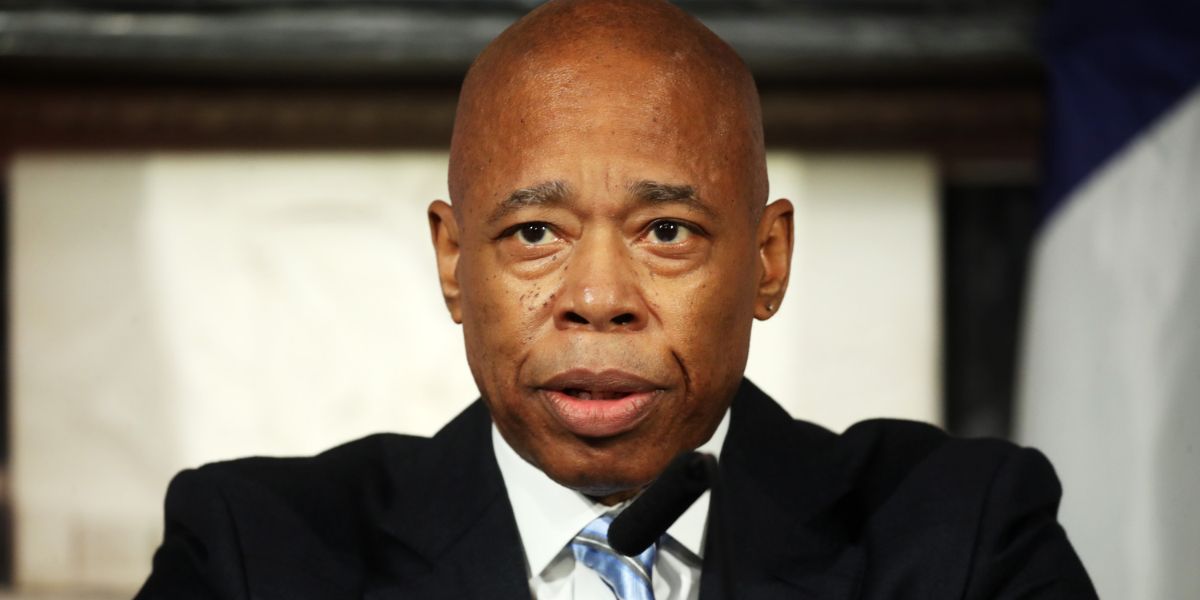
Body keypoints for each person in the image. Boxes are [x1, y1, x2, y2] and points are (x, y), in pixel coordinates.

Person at [136, 0, 1096, 598]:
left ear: (768, 261)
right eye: (534, 234)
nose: (598, 299)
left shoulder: (965, 538)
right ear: (454, 263)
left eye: (666, 231)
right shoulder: (254, 554)